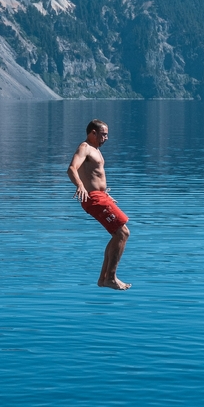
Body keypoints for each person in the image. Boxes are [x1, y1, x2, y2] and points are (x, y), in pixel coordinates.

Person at [67, 119, 131, 290]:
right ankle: (110, 277)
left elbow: (93, 176)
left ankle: (104, 278)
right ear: (93, 133)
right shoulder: (85, 148)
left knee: (119, 234)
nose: (106, 138)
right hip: (94, 198)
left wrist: (105, 194)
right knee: (123, 233)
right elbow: (72, 168)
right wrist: (80, 185)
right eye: (103, 134)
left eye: (107, 134)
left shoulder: (95, 150)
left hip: (101, 196)